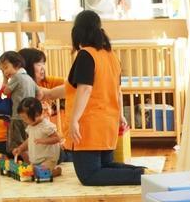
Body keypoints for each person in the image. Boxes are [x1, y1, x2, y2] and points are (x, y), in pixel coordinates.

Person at [41, 10, 145, 185]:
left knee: (89, 175)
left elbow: (85, 89)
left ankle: (139, 176)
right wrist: (48, 93)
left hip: (89, 126)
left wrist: (74, 120)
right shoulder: (111, 56)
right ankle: (143, 173)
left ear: (78, 32)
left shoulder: (86, 55)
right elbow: (75, 88)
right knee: (106, 165)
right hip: (107, 124)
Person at [0, 51, 39, 155]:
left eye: (6, 67)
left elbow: (5, 91)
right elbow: (40, 94)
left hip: (17, 117)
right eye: (3, 71)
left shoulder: (16, 77)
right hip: (29, 117)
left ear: (17, 64)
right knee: (28, 143)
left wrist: (5, 79)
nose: (5, 72)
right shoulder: (29, 78)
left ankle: (28, 167)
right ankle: (33, 165)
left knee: (18, 146)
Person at [11, 97, 62, 177]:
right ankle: (42, 170)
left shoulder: (46, 126)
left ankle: (55, 171)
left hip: (47, 159)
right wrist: (20, 148)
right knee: (30, 172)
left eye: (25, 118)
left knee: (40, 173)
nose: (24, 120)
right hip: (36, 159)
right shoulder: (31, 126)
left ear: (37, 115)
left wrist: (43, 141)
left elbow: (57, 138)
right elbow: (29, 140)